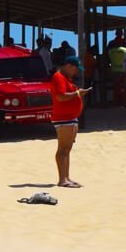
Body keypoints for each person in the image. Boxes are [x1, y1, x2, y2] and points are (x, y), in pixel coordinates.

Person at [50, 56, 91, 188]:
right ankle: (62, 179)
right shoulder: (58, 77)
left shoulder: (66, 78)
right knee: (63, 149)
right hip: (63, 118)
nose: (77, 72)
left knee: (67, 150)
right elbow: (60, 96)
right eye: (75, 69)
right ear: (68, 66)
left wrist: (77, 93)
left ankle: (66, 177)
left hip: (70, 118)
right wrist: (78, 93)